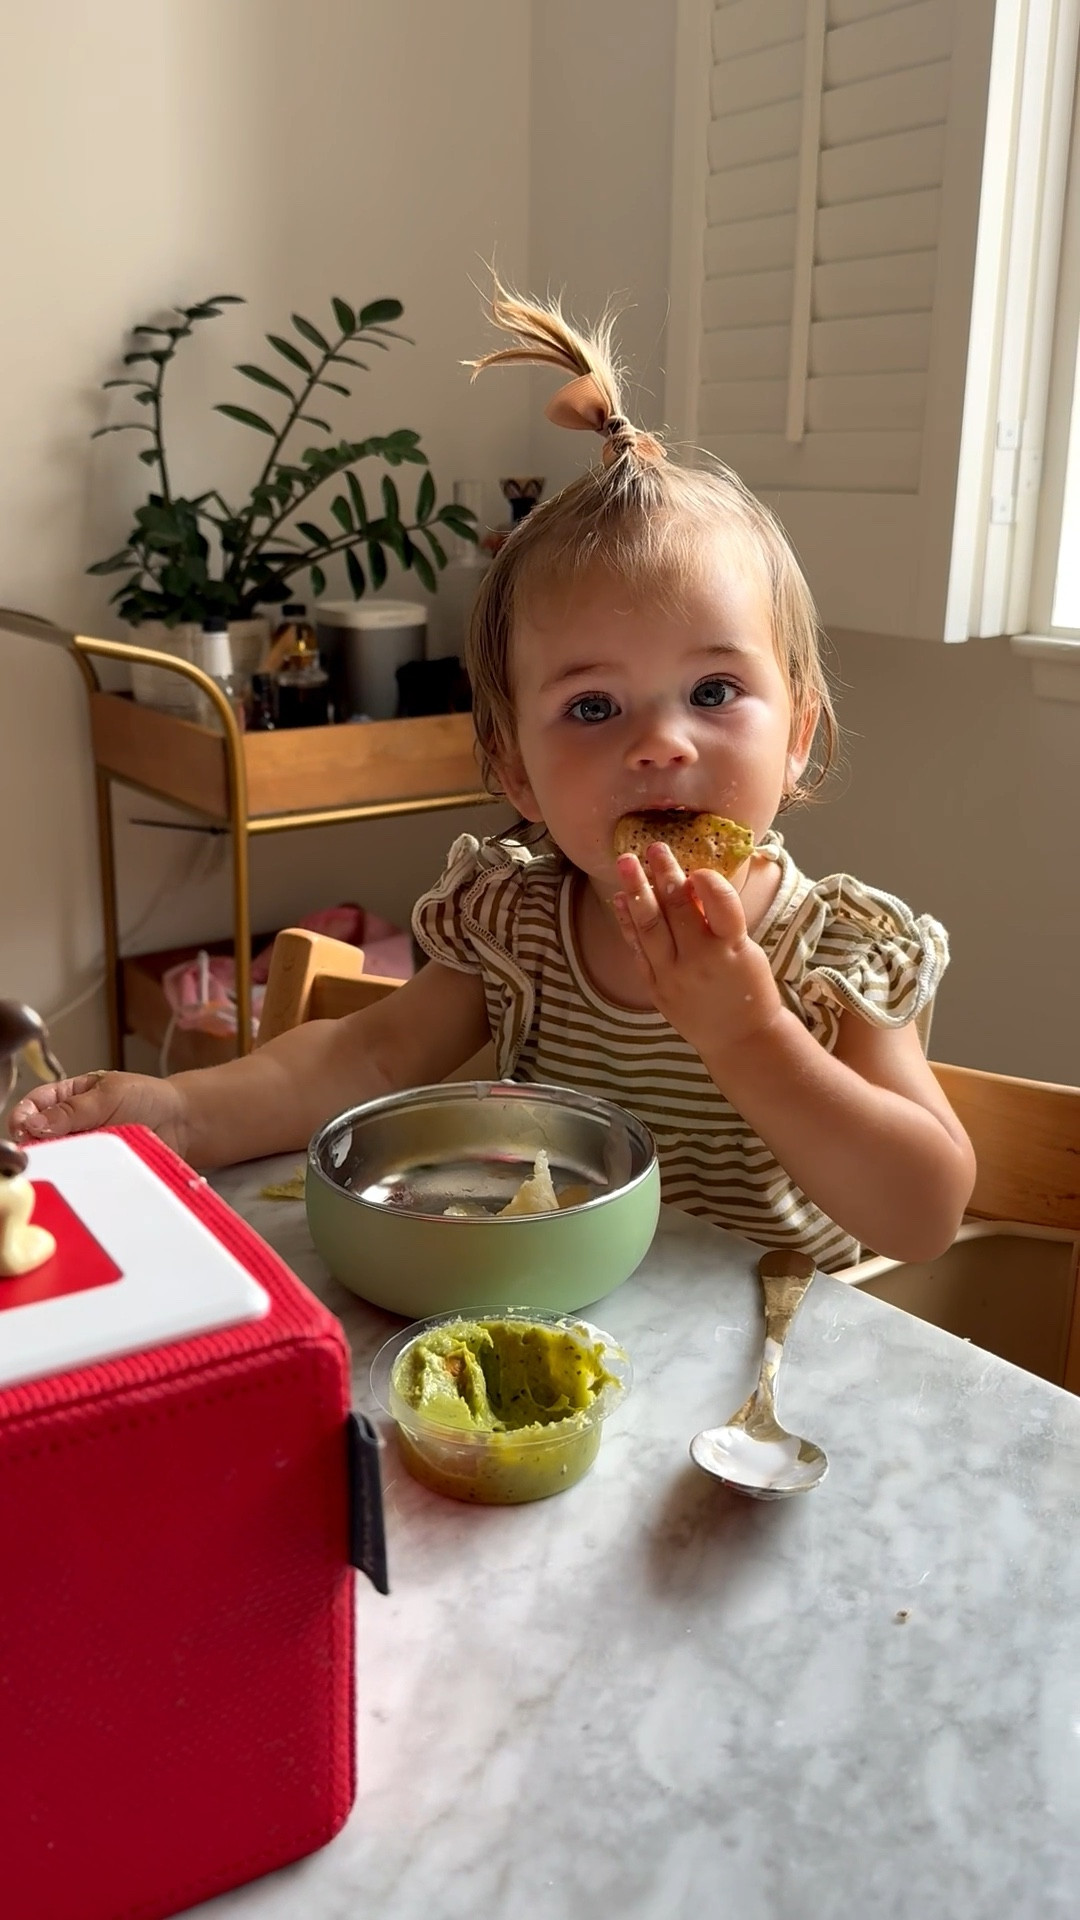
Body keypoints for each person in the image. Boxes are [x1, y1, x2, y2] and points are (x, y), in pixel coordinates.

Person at [11, 285, 975, 1269]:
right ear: (516, 772)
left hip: (771, 1344)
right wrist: (179, 1113)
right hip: (552, 1304)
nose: (660, 743)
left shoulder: (835, 955)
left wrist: (751, 1034)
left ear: (799, 733)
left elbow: (924, 1215)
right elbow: (365, 1056)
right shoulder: (518, 925)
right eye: (593, 707)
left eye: (713, 691)